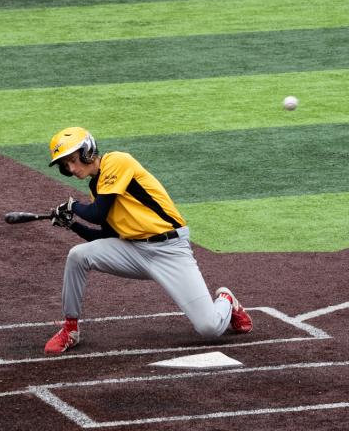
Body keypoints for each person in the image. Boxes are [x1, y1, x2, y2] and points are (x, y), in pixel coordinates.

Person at [43, 127, 252, 355]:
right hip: (134, 252)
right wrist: (72, 224)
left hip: (170, 250)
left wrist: (72, 206)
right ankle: (70, 330)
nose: (71, 169)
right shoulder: (98, 189)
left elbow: (97, 213)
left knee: (209, 327)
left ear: (87, 151)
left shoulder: (116, 162)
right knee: (78, 255)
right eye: (66, 165)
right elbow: (106, 235)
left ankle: (226, 300)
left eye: (73, 160)